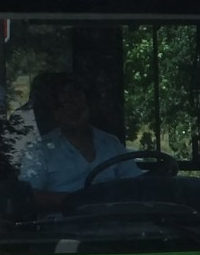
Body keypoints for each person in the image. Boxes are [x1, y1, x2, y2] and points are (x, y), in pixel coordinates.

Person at [19, 75, 141, 210]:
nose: (75, 109)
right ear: (54, 113)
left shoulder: (111, 143)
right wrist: (74, 201)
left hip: (113, 221)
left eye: (79, 102)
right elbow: (29, 194)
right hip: (64, 225)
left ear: (89, 107)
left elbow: (135, 183)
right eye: (66, 104)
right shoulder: (39, 150)